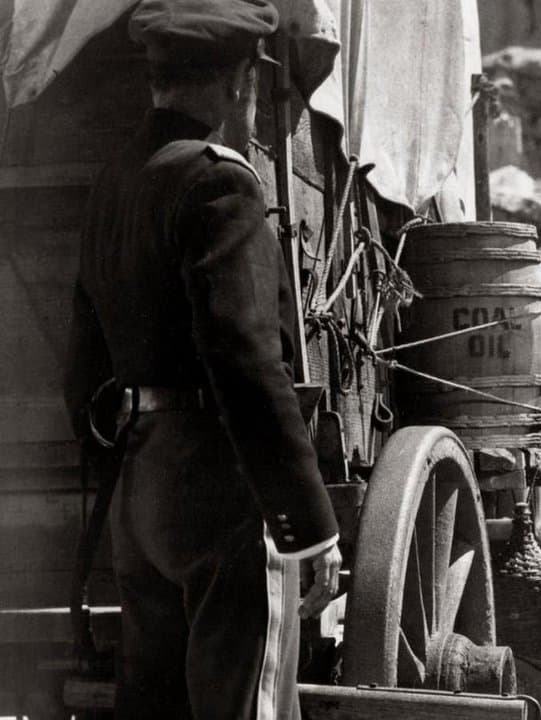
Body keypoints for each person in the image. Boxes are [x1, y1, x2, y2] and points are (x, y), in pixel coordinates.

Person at [62, 1, 341, 717]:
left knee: (152, 704)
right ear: (237, 81)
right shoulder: (220, 180)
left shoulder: (115, 184)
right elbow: (247, 360)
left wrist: (125, 467)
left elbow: (83, 365)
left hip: (141, 484)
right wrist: (307, 526)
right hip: (219, 487)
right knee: (241, 702)